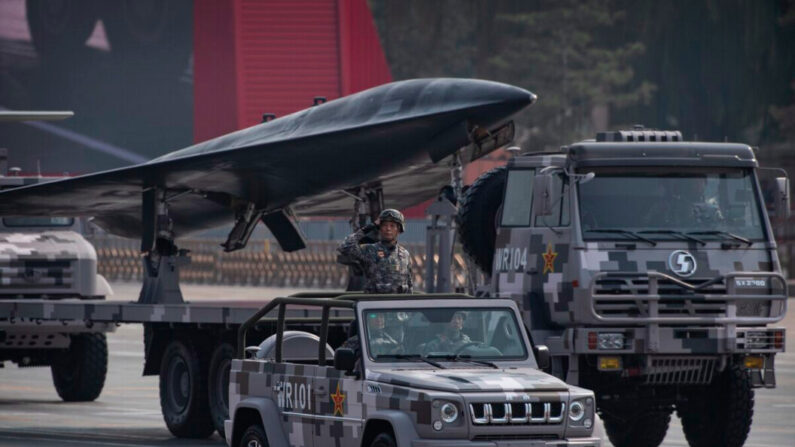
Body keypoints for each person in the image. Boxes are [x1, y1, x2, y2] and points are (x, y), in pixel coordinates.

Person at [337, 209, 413, 294]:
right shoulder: (370, 250)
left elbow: (409, 285)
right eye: (384, 225)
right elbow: (345, 247)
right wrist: (369, 227)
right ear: (379, 228)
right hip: (374, 304)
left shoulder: (405, 255)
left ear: (399, 229)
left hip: (398, 305)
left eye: (392, 226)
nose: (388, 229)